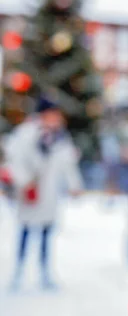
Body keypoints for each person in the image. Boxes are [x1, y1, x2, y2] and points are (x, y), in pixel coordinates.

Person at [3, 97, 84, 289]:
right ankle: (18, 271)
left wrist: (75, 185)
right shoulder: (25, 134)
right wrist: (25, 183)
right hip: (30, 194)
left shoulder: (61, 138)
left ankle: (45, 272)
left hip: (48, 196)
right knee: (25, 231)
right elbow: (14, 161)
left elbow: (67, 164)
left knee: (47, 234)